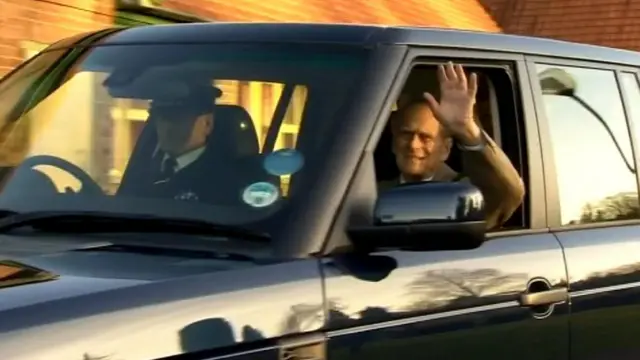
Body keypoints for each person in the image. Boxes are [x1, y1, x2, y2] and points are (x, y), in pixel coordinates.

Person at [379, 62, 525, 230]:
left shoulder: (464, 194)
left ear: (446, 149)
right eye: (406, 134)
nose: (413, 144)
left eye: (425, 138)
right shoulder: (376, 192)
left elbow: (508, 193)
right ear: (393, 142)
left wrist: (466, 129)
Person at [120, 84, 254, 204]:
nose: (167, 126)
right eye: (161, 117)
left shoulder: (226, 183)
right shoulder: (142, 169)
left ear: (207, 123)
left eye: (178, 118)